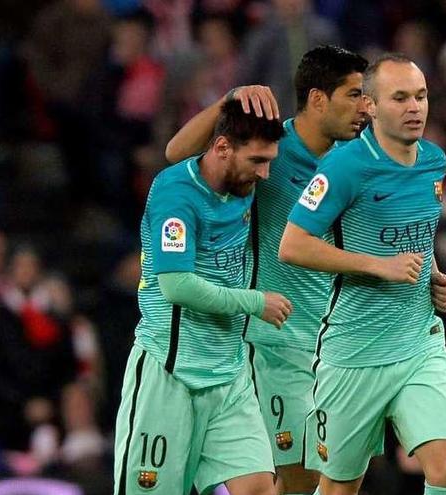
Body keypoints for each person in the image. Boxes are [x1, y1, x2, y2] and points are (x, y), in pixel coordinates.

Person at [166, 45, 372, 495]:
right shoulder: (269, 148)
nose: (365, 107)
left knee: (334, 484)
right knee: (299, 480)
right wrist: (227, 103)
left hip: (335, 350)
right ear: (318, 99)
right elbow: (177, 154)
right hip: (274, 344)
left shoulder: (356, 160)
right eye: (355, 95)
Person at [279, 54, 446, 495]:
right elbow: (293, 244)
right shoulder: (344, 167)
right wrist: (378, 266)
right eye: (400, 98)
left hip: (419, 344)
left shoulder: (434, 161)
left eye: (420, 96)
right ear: (373, 106)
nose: (414, 107)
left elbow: (416, 234)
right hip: (354, 354)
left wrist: (435, 275)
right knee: (341, 487)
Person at [114, 100, 290, 495]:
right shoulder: (175, 194)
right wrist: (255, 302)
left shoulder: (242, 182)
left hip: (229, 375)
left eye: (270, 162)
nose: (265, 173)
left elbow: (177, 147)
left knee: (260, 487)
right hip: (170, 372)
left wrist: (233, 99)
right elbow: (177, 286)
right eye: (258, 161)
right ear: (223, 147)